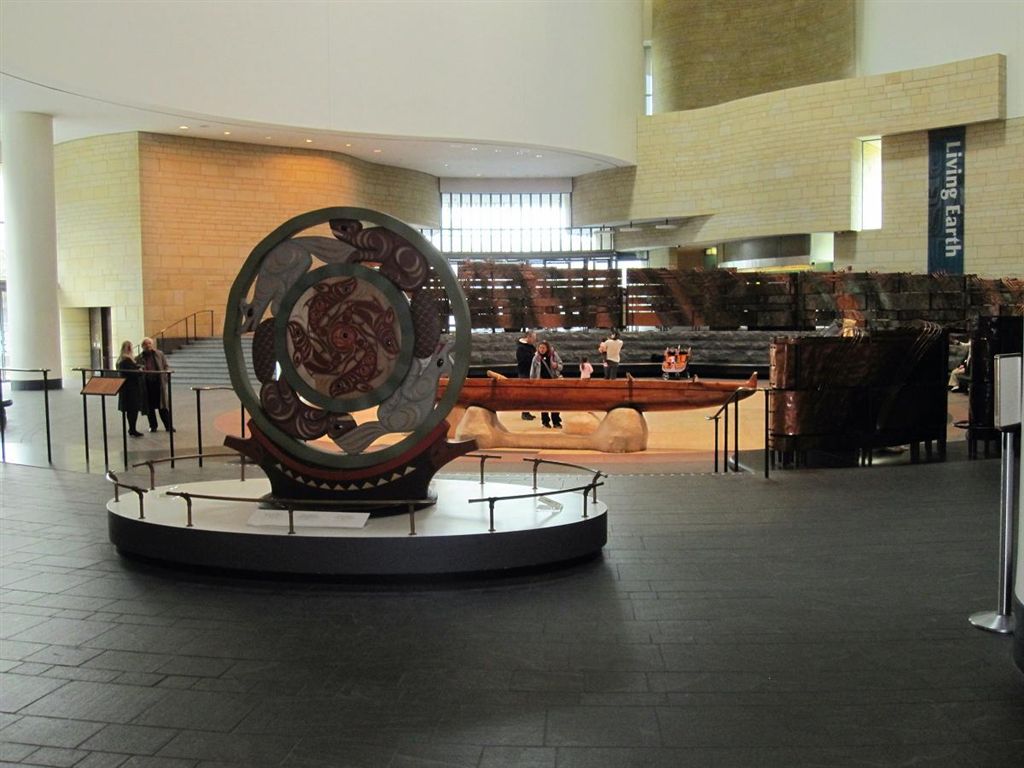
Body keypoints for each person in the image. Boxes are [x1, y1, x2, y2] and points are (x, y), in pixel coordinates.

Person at [137, 337, 174, 432]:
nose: (148, 345)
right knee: (149, 407)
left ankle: (168, 426)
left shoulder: (159, 354)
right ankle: (153, 426)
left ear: (152, 344)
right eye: (145, 344)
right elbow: (138, 369)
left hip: (158, 383)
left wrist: (165, 376)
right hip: (147, 384)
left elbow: (165, 365)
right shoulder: (139, 358)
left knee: (163, 406)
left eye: (149, 343)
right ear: (142, 346)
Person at [530, 340, 563, 428]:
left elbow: (561, 366)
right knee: (543, 403)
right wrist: (532, 383)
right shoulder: (536, 357)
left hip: (553, 382)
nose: (541, 349)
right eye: (540, 348)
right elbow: (532, 371)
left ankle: (556, 422)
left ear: (547, 348)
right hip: (541, 383)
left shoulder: (553, 355)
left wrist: (556, 365)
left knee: (555, 403)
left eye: (543, 348)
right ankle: (545, 422)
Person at [116, 340, 146, 437]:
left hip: (126, 388)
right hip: (131, 388)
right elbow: (132, 373)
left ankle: (132, 428)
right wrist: (140, 370)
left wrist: (137, 367)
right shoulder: (126, 359)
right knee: (132, 410)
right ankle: (132, 429)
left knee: (131, 410)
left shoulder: (121, 359)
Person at [516, 330, 537, 420]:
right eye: (534, 338)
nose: (535, 340)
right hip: (524, 373)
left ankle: (527, 411)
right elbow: (523, 361)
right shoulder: (521, 348)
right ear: (528, 337)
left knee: (529, 394)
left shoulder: (531, 347)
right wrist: (534, 356)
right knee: (525, 393)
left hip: (530, 373)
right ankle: (524, 413)